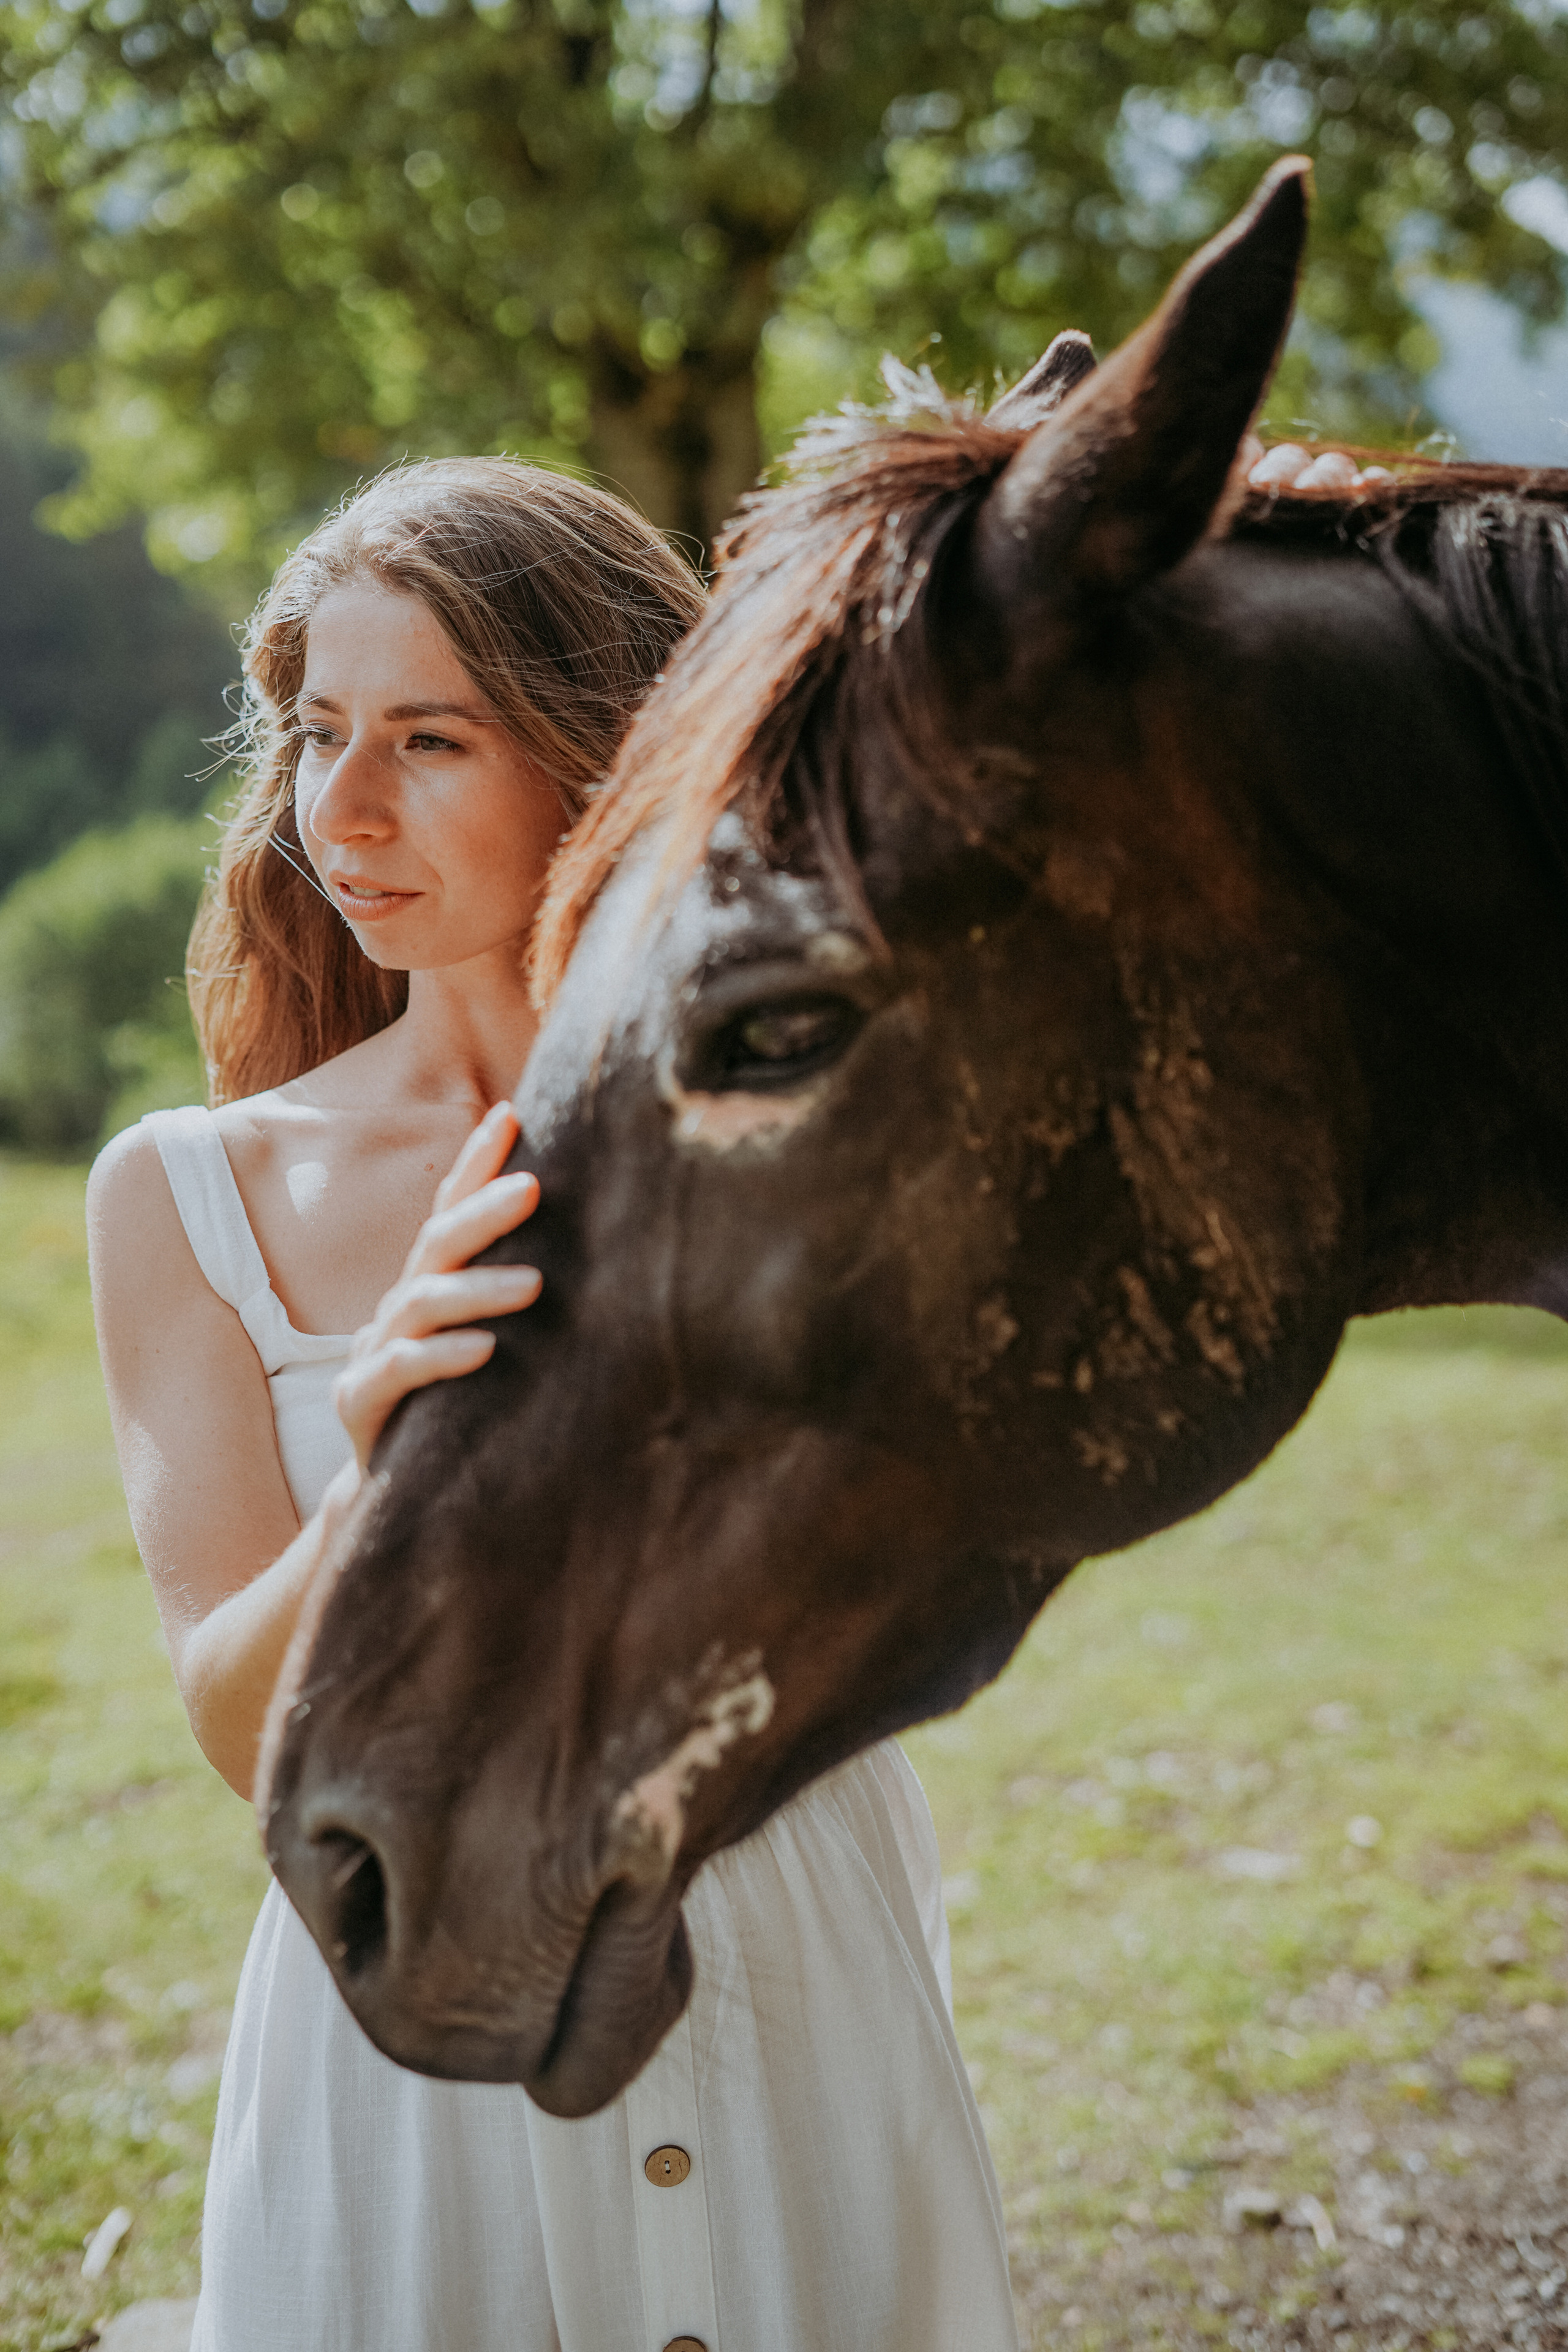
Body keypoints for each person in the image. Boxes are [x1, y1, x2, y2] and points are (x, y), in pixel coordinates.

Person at [87, 457, 1023, 2352]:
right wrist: (390, 1462)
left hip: (790, 1968)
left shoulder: (826, 1137)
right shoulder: (193, 1195)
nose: (335, 809)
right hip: (412, 2046)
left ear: (610, 759)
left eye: (427, 739)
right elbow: (231, 1728)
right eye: (315, 731)